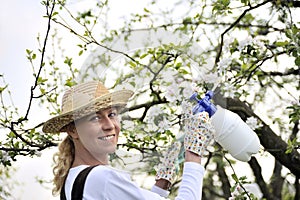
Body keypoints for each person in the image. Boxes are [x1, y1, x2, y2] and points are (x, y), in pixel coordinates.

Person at [42, 80, 214, 200]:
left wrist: (161, 186)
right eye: (95, 118)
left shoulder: (72, 180)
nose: (109, 125)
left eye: (111, 115)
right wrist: (194, 150)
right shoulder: (103, 178)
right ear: (73, 130)